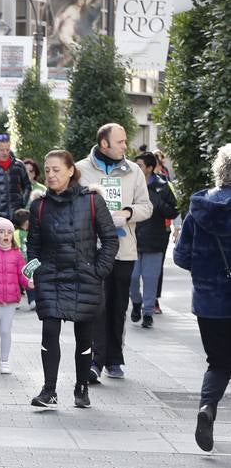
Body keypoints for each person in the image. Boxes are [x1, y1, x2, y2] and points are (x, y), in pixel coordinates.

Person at [27, 149, 119, 410]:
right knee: (49, 332)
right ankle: (49, 390)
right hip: (51, 279)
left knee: (84, 338)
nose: (51, 175)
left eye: (56, 170)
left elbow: (110, 240)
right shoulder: (39, 205)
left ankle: (81, 386)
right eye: (47, 170)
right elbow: (32, 246)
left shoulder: (92, 201)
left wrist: (98, 269)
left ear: (71, 171)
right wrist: (34, 271)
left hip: (84, 277)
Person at [75, 123, 152, 382]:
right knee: (98, 304)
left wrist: (128, 213)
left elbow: (146, 207)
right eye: (120, 141)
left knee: (118, 305)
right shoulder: (81, 169)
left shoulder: (134, 172)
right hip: (91, 249)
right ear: (104, 143)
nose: (125, 146)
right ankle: (95, 360)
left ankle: (115, 359)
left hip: (124, 249)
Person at [174, 143, 231, 451]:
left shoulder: (200, 208)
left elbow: (182, 258)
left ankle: (207, 408)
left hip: (209, 303)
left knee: (218, 362)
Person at [130, 152, 178, 329]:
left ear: (149, 168)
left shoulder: (163, 186)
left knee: (150, 278)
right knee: (132, 277)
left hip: (154, 239)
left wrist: (157, 202)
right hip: (131, 239)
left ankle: (148, 312)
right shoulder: (130, 184)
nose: (137, 168)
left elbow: (174, 210)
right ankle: (136, 301)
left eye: (140, 165)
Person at [0, 217, 31, 375]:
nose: (6, 235)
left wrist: (28, 282)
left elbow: (22, 273)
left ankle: (4, 360)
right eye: (1, 232)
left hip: (10, 300)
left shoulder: (16, 254)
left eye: (9, 232)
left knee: (5, 331)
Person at [0, 134, 32, 220]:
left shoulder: (19, 165)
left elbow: (27, 186)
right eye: (2, 150)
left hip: (17, 216)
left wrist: (22, 202)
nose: (5, 153)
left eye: (7, 149)